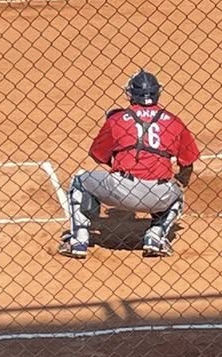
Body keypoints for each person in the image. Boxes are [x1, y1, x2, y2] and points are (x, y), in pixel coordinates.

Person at [63, 70, 202, 259]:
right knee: (177, 194)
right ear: (157, 93)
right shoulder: (174, 121)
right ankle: (155, 237)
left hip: (120, 187)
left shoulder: (117, 119)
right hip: (158, 194)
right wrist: (179, 181)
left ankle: (78, 242)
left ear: (131, 94)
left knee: (80, 181)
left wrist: (121, 157)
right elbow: (188, 163)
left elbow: (98, 155)